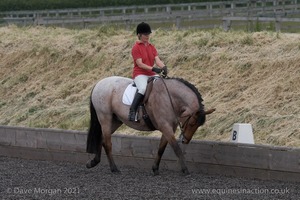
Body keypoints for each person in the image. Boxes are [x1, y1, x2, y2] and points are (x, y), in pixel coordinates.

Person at [128, 22, 167, 121]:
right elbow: (140, 64)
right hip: (140, 74)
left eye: (148, 34)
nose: (147, 36)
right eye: (145, 34)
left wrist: (164, 67)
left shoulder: (151, 46)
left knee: (163, 85)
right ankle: (132, 110)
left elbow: (157, 60)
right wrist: (153, 68)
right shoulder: (135, 48)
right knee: (142, 89)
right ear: (139, 35)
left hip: (151, 74)